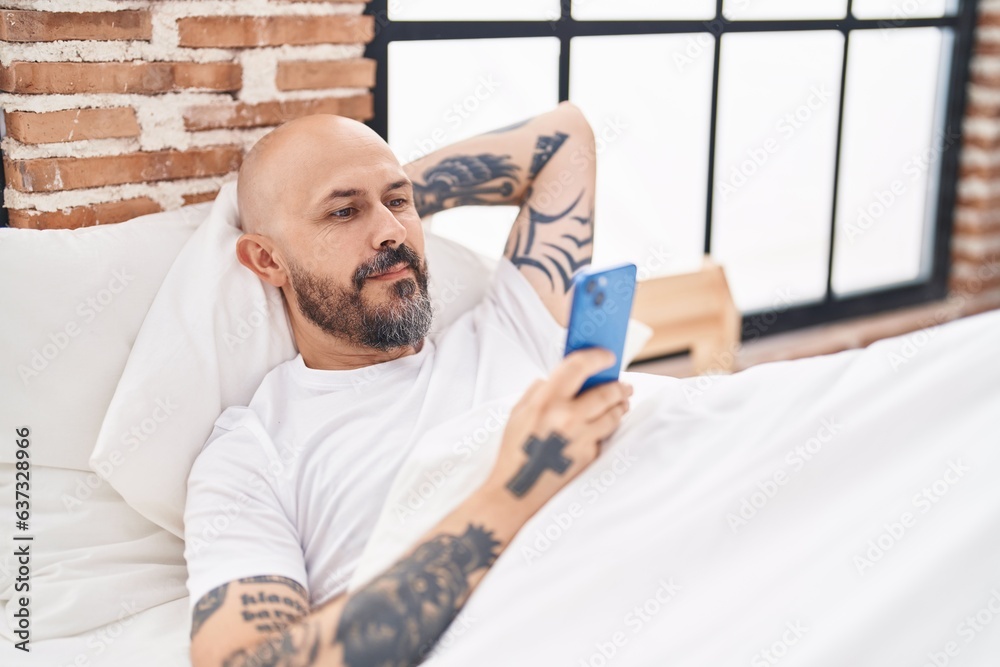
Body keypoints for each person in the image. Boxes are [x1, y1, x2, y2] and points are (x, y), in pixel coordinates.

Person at [184, 102, 634, 667]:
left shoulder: (509, 327)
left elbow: (564, 140)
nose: (393, 232)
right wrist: (515, 489)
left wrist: (377, 188)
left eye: (400, 204)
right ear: (267, 258)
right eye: (343, 213)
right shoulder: (253, 453)